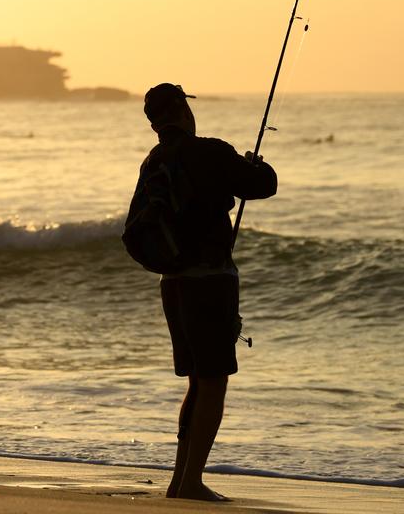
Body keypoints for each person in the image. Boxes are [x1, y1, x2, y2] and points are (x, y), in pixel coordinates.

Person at [130, 83, 277, 501]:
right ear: (181, 110)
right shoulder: (208, 151)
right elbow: (264, 184)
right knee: (213, 382)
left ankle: (180, 480)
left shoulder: (153, 160)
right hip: (209, 282)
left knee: (197, 382)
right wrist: (253, 163)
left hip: (171, 283)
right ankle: (191, 481)